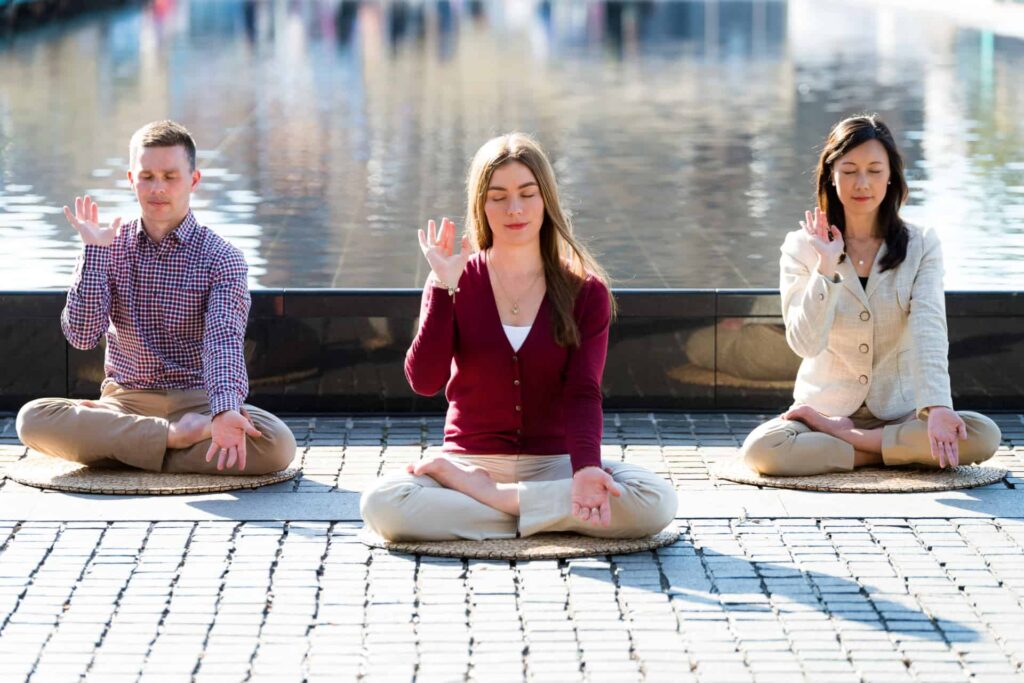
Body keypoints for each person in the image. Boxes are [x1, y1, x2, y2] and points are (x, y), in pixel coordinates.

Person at [360, 133, 677, 541]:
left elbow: (583, 391)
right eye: (498, 196)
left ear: (546, 199)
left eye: (527, 193)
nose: (514, 209)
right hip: (468, 460)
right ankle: (541, 512)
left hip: (555, 464)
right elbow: (424, 382)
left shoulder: (585, 290)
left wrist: (584, 470)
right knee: (384, 505)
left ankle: (495, 501)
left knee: (654, 500)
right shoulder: (453, 276)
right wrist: (443, 287)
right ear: (481, 205)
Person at [16, 120, 295, 475]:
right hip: (126, 402)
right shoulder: (107, 245)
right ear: (131, 179)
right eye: (147, 176)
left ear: (193, 181)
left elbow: (223, 340)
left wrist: (224, 412)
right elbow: (82, 336)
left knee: (275, 444)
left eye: (170, 176)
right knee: (33, 419)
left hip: (198, 403)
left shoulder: (222, 258)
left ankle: (126, 449)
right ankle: (173, 439)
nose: (157, 188)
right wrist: (94, 253)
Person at [741, 114, 1000, 476]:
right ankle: (889, 451)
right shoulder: (801, 245)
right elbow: (805, 344)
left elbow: (929, 326)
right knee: (762, 451)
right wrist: (825, 269)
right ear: (831, 175)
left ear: (891, 174)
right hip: (822, 411)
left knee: (984, 435)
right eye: (849, 170)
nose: (862, 183)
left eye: (874, 170)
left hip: (902, 412)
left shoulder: (921, 243)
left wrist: (938, 406)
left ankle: (852, 444)